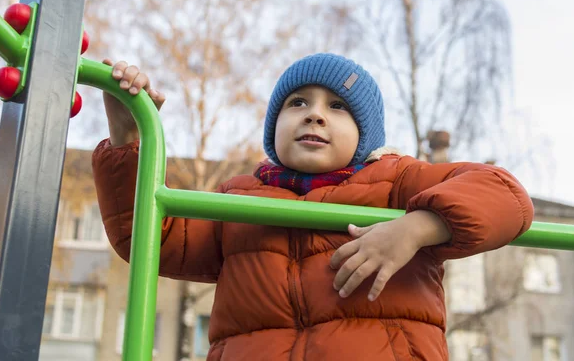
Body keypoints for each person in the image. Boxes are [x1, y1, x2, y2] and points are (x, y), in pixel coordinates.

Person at [93, 53, 534, 360]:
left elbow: (505, 194)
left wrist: (414, 229)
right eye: (297, 102)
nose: (314, 114)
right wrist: (127, 139)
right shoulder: (240, 198)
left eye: (337, 106)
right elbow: (152, 237)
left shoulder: (394, 182)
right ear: (275, 126)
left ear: (365, 136)